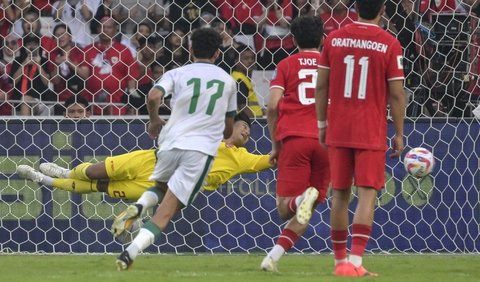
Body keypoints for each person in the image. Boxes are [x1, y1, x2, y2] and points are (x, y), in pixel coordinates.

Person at [113, 27, 237, 271]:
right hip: (199, 150)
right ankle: (131, 251)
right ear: (217, 53)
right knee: (168, 211)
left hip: (169, 141)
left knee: (160, 187)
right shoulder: (228, 81)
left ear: (190, 50)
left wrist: (154, 120)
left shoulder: (177, 73)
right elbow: (227, 130)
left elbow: (152, 96)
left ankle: (139, 206)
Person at [315, 0, 406, 277]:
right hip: (370, 129)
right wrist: (400, 133)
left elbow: (321, 85)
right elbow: (397, 93)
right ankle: (356, 262)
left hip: (339, 127)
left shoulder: (333, 38)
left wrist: (322, 124)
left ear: (355, 9)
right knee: (367, 195)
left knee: (340, 195)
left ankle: (340, 263)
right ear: (382, 11)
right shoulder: (390, 43)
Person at [15, 112, 271, 200]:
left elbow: (270, 160)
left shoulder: (243, 158)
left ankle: (42, 179)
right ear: (230, 125)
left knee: (98, 187)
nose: (247, 129)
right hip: (152, 159)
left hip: (157, 185)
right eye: (242, 124)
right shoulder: (210, 131)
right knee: (93, 172)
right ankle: (66, 172)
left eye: (249, 128)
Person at [262, 15, 329, 272]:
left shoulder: (287, 64)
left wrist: (276, 143)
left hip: (295, 138)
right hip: (327, 141)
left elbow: (272, 105)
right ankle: (272, 258)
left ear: (293, 40)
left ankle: (301, 197)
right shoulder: (332, 65)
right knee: (306, 208)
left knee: (284, 209)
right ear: (323, 39)